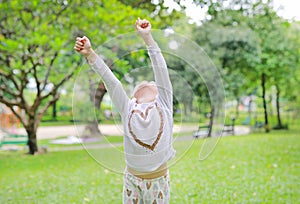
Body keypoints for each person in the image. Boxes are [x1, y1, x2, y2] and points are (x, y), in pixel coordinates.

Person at [74, 18, 175, 204]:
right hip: (132, 181)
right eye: (143, 84)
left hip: (158, 181)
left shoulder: (164, 103)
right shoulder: (128, 108)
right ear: (135, 97)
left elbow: (160, 68)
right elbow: (111, 82)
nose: (149, 83)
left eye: (152, 83)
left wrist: (147, 38)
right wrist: (90, 54)